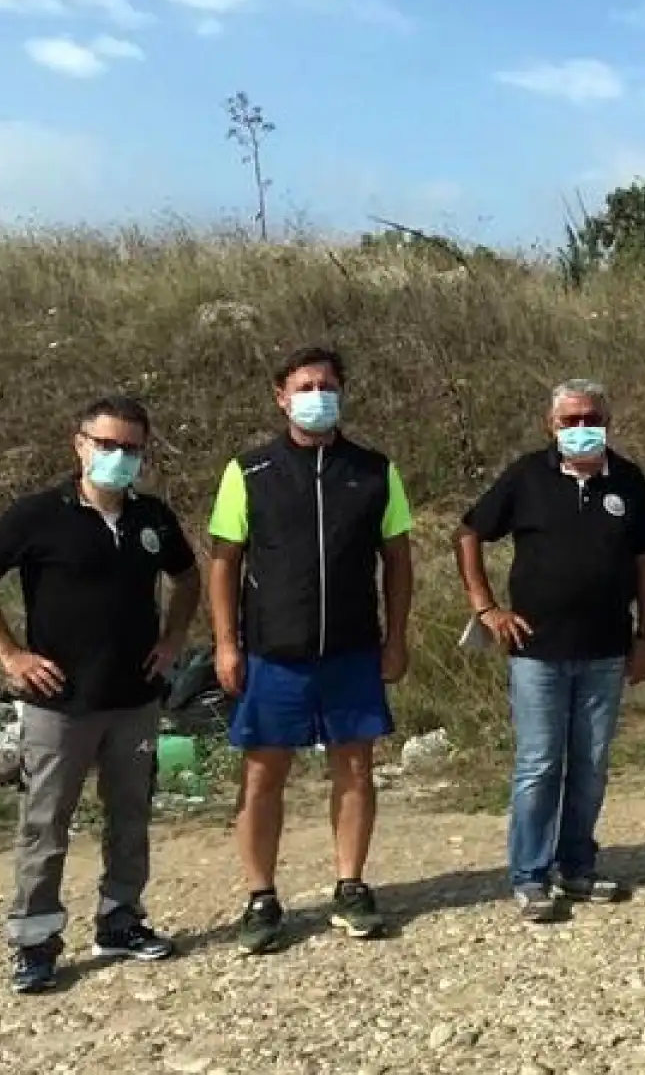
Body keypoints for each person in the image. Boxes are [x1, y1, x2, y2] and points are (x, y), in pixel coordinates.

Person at [0, 396, 200, 994]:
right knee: (45, 826)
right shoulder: (39, 515)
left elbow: (188, 578)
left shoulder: (152, 518)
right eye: (108, 445)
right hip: (59, 705)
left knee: (130, 818)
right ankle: (35, 942)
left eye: (132, 448)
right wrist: (10, 656)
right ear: (80, 444)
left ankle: (121, 921)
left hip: (135, 699)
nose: (119, 457)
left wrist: (172, 641)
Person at [208, 346, 414, 955]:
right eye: (304, 385)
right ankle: (261, 897)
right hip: (274, 652)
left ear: (342, 392)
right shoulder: (247, 472)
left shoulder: (376, 470)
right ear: (281, 395)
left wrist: (396, 636)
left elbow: (398, 561)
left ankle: (350, 886)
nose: (316, 394)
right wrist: (225, 643)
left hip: (352, 649)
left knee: (354, 769)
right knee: (263, 774)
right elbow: (224, 563)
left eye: (327, 384)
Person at [455, 379, 645, 923]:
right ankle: (530, 876)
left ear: (607, 421)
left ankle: (578, 866)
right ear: (551, 425)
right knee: (539, 764)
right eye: (570, 421)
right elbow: (469, 533)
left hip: (605, 651)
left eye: (591, 418)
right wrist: (486, 608)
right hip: (537, 652)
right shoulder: (528, 476)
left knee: (592, 765)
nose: (581, 429)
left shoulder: (628, 479)